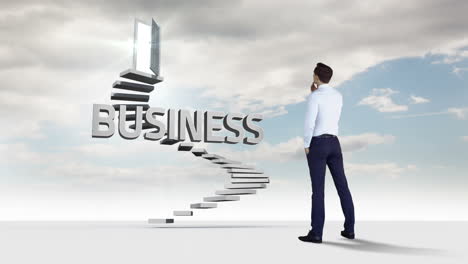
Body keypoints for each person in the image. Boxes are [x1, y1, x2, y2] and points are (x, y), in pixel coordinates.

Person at [298, 62, 355, 243]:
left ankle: (316, 233)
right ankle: (350, 229)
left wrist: (306, 144)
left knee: (318, 190)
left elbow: (310, 122)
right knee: (342, 187)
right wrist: (314, 93)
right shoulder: (338, 96)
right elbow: (329, 113)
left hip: (318, 143)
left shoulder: (314, 98)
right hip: (334, 143)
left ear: (316, 76)